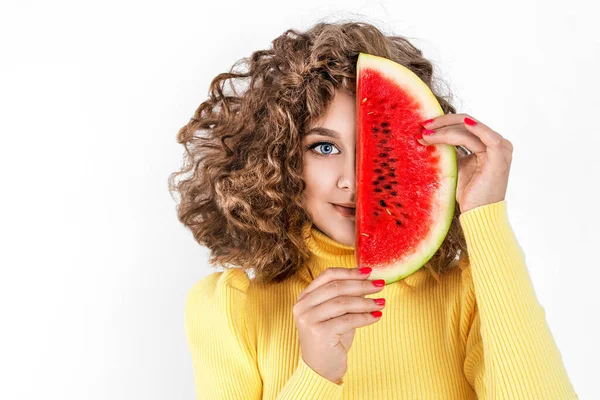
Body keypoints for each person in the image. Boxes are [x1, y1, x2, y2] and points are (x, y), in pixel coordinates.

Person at [169, 20, 578, 399]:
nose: (353, 180)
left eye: (378, 149)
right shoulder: (229, 307)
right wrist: (315, 374)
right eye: (324, 147)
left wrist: (484, 214)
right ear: (279, 158)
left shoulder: (470, 294)